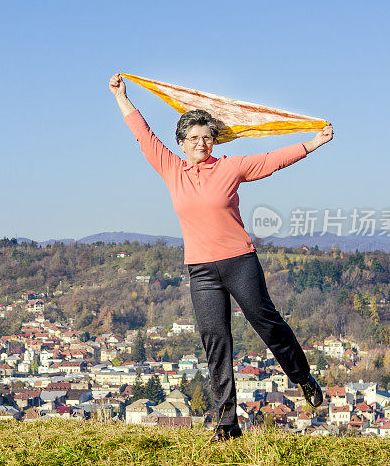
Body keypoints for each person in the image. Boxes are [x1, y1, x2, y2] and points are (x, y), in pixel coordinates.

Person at [108, 73, 333, 442]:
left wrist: (313, 143)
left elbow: (272, 160)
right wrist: (122, 97)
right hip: (201, 271)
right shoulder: (171, 169)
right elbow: (143, 134)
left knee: (267, 324)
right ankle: (228, 425)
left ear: (215, 140)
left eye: (207, 137)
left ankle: (302, 377)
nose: (202, 143)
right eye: (194, 138)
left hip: (240, 262)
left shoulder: (229, 167)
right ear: (181, 142)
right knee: (215, 340)